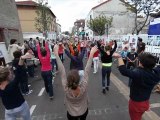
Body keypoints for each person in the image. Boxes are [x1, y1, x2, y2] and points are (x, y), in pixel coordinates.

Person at [54, 44, 98, 120]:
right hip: (83, 111)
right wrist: (91, 54)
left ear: (68, 80)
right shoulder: (83, 86)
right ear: (78, 80)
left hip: (71, 113)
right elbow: (87, 71)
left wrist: (56, 54)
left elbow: (62, 72)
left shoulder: (66, 88)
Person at [115, 53, 160, 120]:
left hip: (136, 104)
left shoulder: (139, 74)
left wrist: (119, 57)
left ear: (141, 63)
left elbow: (123, 71)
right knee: (139, 116)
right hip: (145, 102)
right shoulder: (156, 73)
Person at [0, 52, 32, 120]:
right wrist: (21, 58)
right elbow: (19, 70)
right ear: (7, 76)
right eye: (10, 73)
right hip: (21, 107)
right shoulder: (13, 84)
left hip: (8, 110)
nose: (12, 74)